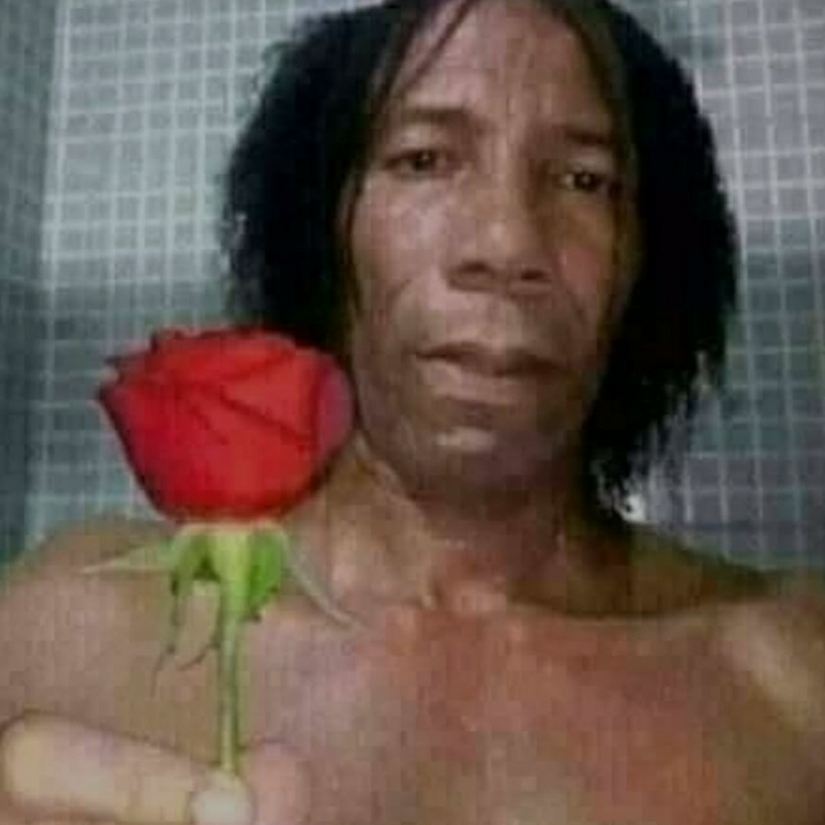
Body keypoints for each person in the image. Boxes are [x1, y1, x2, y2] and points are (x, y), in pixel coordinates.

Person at [1, 0, 824, 822]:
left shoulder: (790, 675)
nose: (506, 244)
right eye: (424, 159)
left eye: (584, 179)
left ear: (650, 258)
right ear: (321, 229)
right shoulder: (63, 627)